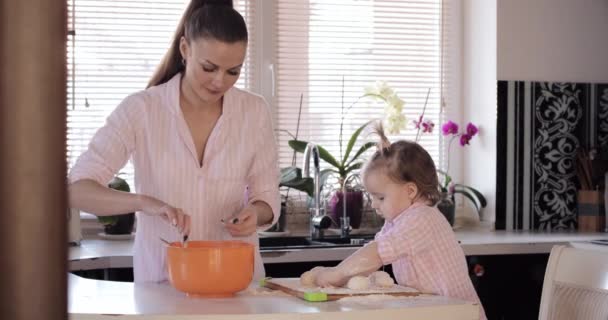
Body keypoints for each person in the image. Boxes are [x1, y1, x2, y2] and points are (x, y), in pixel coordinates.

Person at [68, 0, 280, 283]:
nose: (219, 82)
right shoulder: (141, 109)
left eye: (233, 72)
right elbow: (77, 189)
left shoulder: (254, 111)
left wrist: (255, 213)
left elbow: (267, 199)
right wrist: (145, 202)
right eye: (209, 67)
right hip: (163, 288)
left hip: (238, 288)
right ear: (185, 49)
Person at [309, 122, 486, 319]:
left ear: (410, 191)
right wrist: (339, 279)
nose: (375, 205)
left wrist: (336, 273)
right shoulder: (397, 222)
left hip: (459, 315)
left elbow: (375, 254)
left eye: (381, 198)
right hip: (436, 312)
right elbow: (371, 259)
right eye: (372, 197)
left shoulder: (422, 219)